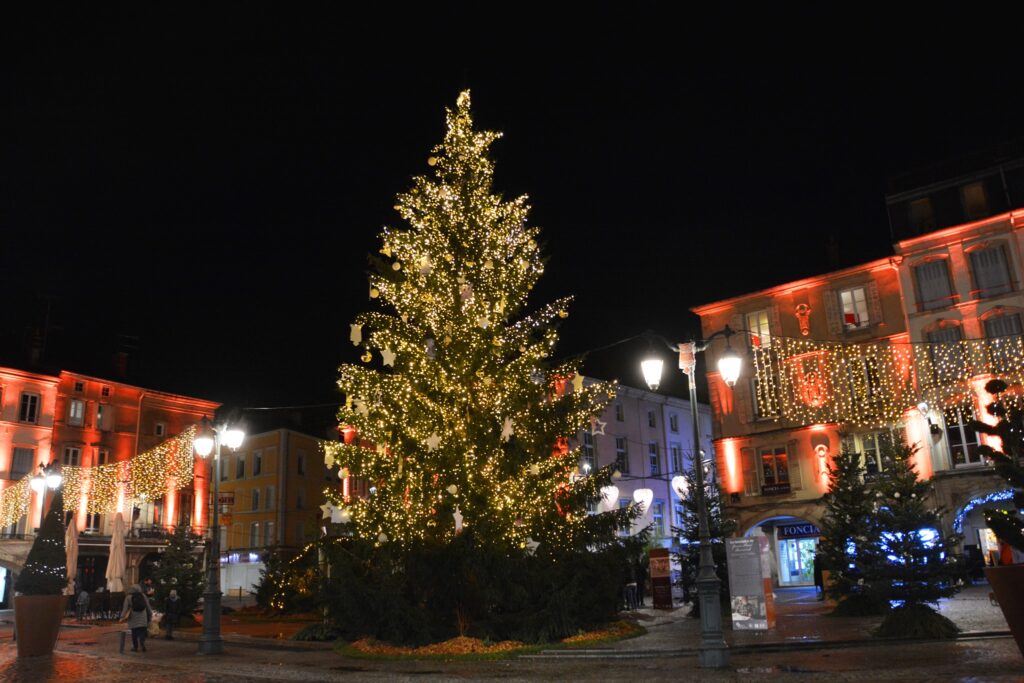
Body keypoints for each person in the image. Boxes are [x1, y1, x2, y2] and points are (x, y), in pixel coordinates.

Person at [120, 584, 153, 652]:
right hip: (143, 616)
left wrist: (122, 617)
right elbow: (148, 606)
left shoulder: (128, 597)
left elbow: (125, 608)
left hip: (133, 617)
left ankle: (135, 647)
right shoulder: (143, 596)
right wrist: (150, 614)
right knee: (142, 631)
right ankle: (142, 642)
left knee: (134, 633)